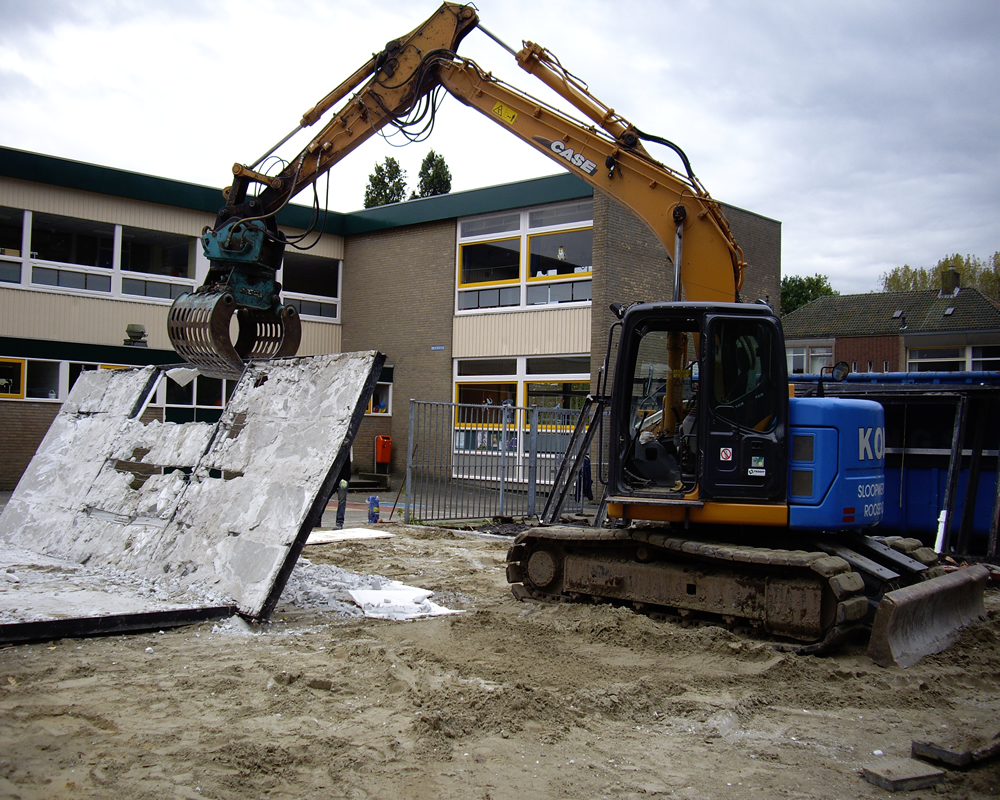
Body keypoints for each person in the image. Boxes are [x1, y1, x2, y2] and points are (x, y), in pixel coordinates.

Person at [335, 448, 352, 529]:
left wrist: (345, 478)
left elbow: (347, 465)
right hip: (334, 478)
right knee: (324, 499)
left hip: (341, 478)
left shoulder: (345, 451)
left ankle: (339, 521)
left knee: (341, 500)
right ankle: (317, 519)